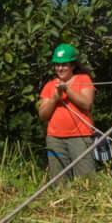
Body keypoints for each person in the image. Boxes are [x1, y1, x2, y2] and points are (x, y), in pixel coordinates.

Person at [37, 43, 99, 179]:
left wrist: (67, 90)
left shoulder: (83, 79)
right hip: (55, 138)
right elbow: (43, 115)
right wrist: (54, 98)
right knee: (59, 180)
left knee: (86, 178)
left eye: (64, 65)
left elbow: (87, 104)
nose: (60, 68)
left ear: (72, 65)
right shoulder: (49, 86)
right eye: (57, 65)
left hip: (80, 136)